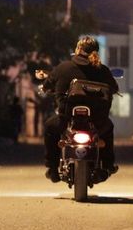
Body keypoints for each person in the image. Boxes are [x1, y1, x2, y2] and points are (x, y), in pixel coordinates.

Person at [42, 35, 119, 183]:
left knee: (49, 128)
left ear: (77, 49)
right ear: (96, 52)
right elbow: (114, 88)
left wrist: (47, 87)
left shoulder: (63, 68)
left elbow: (47, 85)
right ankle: (107, 166)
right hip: (97, 121)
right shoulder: (102, 70)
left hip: (66, 119)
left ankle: (52, 168)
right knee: (108, 129)